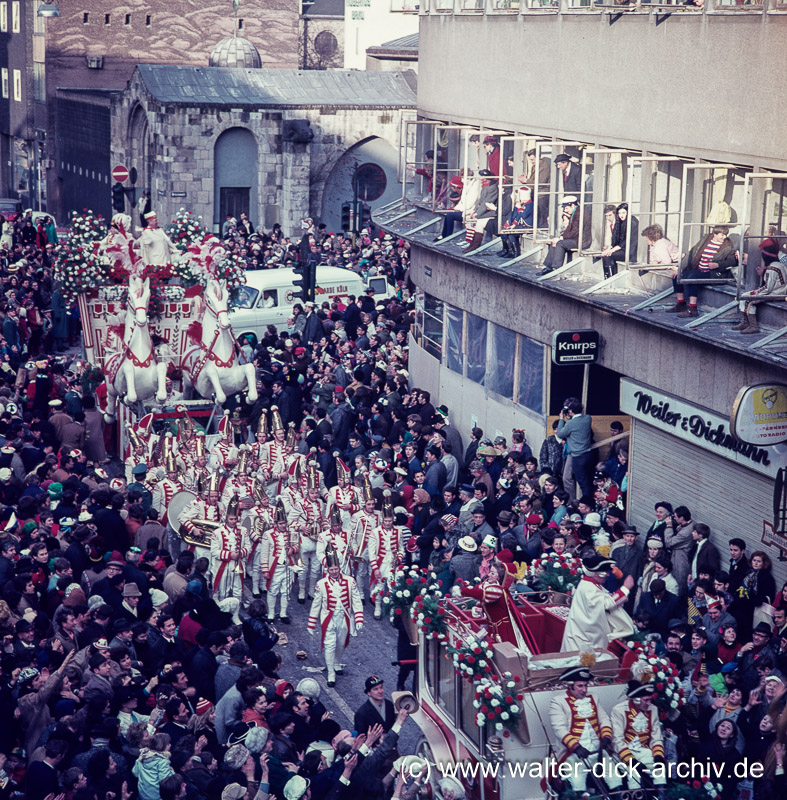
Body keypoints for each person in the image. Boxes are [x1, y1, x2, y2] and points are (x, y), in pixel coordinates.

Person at [549, 666, 623, 794]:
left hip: (598, 750)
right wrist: (576, 747)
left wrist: (606, 737)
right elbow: (559, 729)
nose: (584, 690)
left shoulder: (593, 697)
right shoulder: (558, 702)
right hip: (573, 753)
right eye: (580, 686)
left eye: (586, 685)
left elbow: (604, 719)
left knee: (615, 777)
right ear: (570, 686)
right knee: (577, 780)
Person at [307, 544, 363, 686]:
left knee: (341, 643)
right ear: (327, 569)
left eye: (336, 569)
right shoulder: (321, 584)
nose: (334, 572)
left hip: (344, 618)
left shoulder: (350, 581)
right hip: (328, 619)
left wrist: (358, 618)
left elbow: (356, 600)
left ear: (340, 568)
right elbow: (316, 604)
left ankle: (337, 662)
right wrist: (311, 623)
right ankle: (331, 673)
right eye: (331, 569)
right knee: (329, 645)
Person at [561, 555, 635, 652]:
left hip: (583, 635)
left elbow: (604, 599)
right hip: (581, 640)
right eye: (605, 572)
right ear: (595, 573)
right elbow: (606, 604)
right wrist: (625, 589)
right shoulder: (588, 588)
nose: (608, 575)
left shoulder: (591, 584)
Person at [666, 226, 739, 318]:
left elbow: (732, 261)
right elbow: (691, 253)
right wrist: (681, 268)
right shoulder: (705, 241)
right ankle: (681, 304)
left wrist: (718, 265)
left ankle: (692, 309)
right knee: (677, 276)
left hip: (714, 274)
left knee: (693, 277)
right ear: (715, 234)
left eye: (725, 235)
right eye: (722, 235)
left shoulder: (728, 246)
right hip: (700, 269)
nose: (724, 237)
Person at [610, 681, 666, 789]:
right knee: (633, 773)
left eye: (650, 700)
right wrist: (632, 761)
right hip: (623, 753)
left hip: (643, 751)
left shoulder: (653, 709)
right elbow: (617, 741)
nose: (649, 703)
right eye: (646, 700)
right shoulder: (619, 710)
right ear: (636, 700)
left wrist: (658, 756)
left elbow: (656, 738)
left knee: (659, 769)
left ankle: (661, 796)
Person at [734, 241, 787, 334]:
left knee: (748, 299)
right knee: (745, 295)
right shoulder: (780, 265)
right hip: (780, 291)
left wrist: (755, 292)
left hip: (776, 294)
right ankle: (745, 322)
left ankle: (753, 326)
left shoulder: (772, 268)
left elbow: (767, 288)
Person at [537, 196, 592, 276]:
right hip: (576, 238)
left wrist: (561, 238)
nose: (565, 210)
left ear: (572, 205)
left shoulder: (580, 214)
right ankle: (548, 266)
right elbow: (569, 229)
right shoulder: (575, 212)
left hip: (581, 240)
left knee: (560, 243)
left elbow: (575, 231)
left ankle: (557, 268)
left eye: (566, 208)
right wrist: (560, 237)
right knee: (555, 241)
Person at [557, 397, 594, 498]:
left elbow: (560, 434)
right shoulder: (587, 418)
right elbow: (577, 425)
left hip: (577, 457)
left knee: (582, 483)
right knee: (586, 480)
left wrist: (561, 419)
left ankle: (584, 503)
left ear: (570, 411)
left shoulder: (570, 423)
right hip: (588, 454)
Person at [600, 203, 639, 277]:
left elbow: (626, 241)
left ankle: (612, 277)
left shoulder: (632, 222)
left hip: (630, 251)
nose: (621, 215)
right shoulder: (620, 221)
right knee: (606, 255)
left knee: (609, 255)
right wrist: (610, 248)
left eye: (623, 213)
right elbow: (616, 237)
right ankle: (608, 277)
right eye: (620, 213)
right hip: (623, 249)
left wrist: (612, 250)